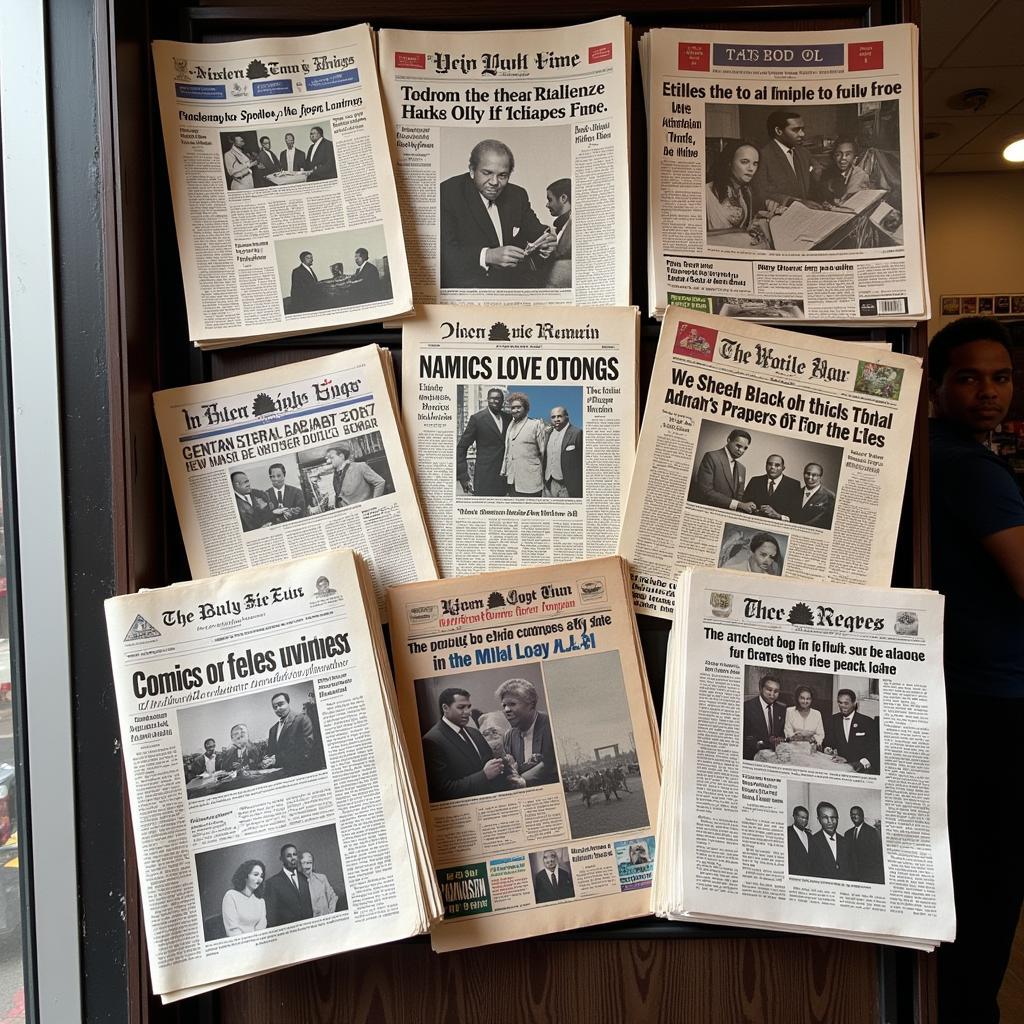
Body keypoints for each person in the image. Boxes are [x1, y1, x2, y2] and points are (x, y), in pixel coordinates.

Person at [928, 316, 1024, 1022]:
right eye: (968, 377)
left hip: (964, 692)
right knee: (992, 879)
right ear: (935, 386)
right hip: (992, 700)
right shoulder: (970, 469)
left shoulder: (939, 453)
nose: (987, 393)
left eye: (1001, 378)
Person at [438, 139, 554, 288]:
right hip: (469, 286)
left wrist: (546, 240)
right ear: (472, 170)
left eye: (503, 176)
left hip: (512, 284)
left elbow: (534, 229)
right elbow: (444, 253)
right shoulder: (447, 193)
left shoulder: (517, 195)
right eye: (487, 173)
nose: (494, 182)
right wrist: (488, 256)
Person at [420, 687, 508, 801]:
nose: (468, 712)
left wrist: (504, 765)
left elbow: (490, 765)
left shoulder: (475, 733)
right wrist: (484, 775)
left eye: (468, 707)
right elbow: (442, 791)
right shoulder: (431, 741)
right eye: (461, 707)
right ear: (445, 708)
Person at [751, 108, 820, 212]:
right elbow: (761, 193)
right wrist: (795, 202)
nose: (802, 134)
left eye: (802, 129)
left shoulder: (804, 153)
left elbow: (812, 186)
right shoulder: (762, 155)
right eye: (795, 130)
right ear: (778, 131)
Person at [497, 677, 557, 786]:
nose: (506, 710)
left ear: (531, 704)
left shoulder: (551, 726)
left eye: (512, 704)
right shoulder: (509, 736)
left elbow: (553, 765)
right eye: (504, 705)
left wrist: (524, 780)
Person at [455, 388, 511, 496]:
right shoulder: (477, 419)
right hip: (484, 478)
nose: (496, 401)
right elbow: (461, 448)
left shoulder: (508, 418)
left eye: (499, 398)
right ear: (487, 400)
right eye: (492, 398)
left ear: (503, 401)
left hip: (505, 479)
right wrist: (464, 477)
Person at [690, 429, 758, 512]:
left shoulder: (742, 468)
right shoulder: (711, 457)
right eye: (738, 446)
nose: (741, 451)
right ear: (729, 440)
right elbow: (706, 492)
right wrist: (739, 505)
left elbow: (739, 495)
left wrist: (748, 504)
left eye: (745, 448)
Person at [501, 392, 548, 497]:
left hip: (531, 480)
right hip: (512, 480)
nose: (515, 410)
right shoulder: (510, 427)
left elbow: (543, 452)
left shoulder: (535, 424)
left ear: (526, 408)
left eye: (518, 407)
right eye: (513, 408)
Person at [705, 141, 760, 230]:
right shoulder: (707, 191)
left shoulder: (746, 191)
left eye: (755, 163)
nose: (751, 168)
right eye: (744, 162)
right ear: (729, 162)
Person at [823, 689, 878, 773]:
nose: (842, 706)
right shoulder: (832, 720)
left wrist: (862, 763)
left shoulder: (867, 722)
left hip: (861, 767)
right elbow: (828, 742)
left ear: (854, 703)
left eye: (846, 703)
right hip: (841, 766)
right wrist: (827, 748)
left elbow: (875, 748)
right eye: (840, 702)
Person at [262, 691, 315, 774]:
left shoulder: (302, 719)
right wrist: (267, 759)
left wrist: (278, 759)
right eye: (275, 707)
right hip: (278, 773)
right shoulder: (272, 730)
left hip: (300, 772)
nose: (278, 709)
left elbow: (306, 750)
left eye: (280, 704)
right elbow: (272, 753)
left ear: (288, 703)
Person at [264, 844, 313, 927]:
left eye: (295, 854)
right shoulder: (272, 883)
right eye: (288, 856)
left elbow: (308, 908)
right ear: (282, 859)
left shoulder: (304, 878)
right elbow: (271, 917)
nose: (293, 858)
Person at [742, 454, 803, 521]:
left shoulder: (794, 485)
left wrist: (779, 516)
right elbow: (744, 503)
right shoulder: (755, 481)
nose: (772, 467)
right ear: (766, 466)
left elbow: (796, 515)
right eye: (769, 464)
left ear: (783, 468)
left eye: (777, 465)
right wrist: (753, 509)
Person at [808, 801, 858, 881]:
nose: (830, 822)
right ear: (818, 819)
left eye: (833, 817)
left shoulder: (846, 841)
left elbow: (853, 871)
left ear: (838, 818)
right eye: (825, 818)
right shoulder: (812, 841)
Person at [742, 674, 786, 760]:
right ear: (761, 688)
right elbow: (745, 738)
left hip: (776, 755)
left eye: (776, 691)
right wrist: (762, 744)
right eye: (769, 690)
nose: (772, 694)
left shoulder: (782, 709)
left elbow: (782, 733)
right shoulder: (747, 707)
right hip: (752, 755)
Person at [543, 406, 582, 498]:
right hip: (548, 483)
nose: (556, 419)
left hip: (566, 486)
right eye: (553, 417)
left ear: (567, 417)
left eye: (559, 416)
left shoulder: (577, 433)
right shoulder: (548, 433)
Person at [221, 860, 267, 935]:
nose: (259, 879)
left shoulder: (261, 901)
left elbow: (261, 928)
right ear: (245, 876)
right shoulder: (231, 896)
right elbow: (232, 930)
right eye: (255, 874)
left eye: (261, 876)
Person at [542, 178, 572, 287]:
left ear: (563, 198)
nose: (547, 205)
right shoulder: (561, 226)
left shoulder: (573, 226)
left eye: (550, 199)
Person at [821, 139, 870, 205]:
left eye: (848, 154)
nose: (843, 158)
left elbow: (846, 202)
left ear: (855, 158)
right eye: (838, 154)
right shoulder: (829, 173)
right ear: (834, 157)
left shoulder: (860, 175)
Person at [844, 806, 884, 884]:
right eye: (852, 814)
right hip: (852, 876)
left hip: (868, 876)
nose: (854, 816)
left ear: (862, 815)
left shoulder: (872, 832)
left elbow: (877, 856)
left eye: (856, 814)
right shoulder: (847, 833)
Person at [792, 462, 835, 529]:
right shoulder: (796, 493)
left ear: (820, 477)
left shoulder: (829, 496)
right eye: (807, 474)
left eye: (814, 475)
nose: (810, 477)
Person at [299, 851, 339, 917]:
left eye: (309, 862)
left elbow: (332, 897)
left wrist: (330, 913)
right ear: (300, 865)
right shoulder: (297, 883)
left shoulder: (322, 878)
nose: (307, 866)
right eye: (304, 863)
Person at [786, 806, 812, 876]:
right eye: (802, 818)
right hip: (794, 874)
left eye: (806, 818)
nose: (805, 821)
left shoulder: (809, 835)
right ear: (794, 817)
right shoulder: (787, 832)